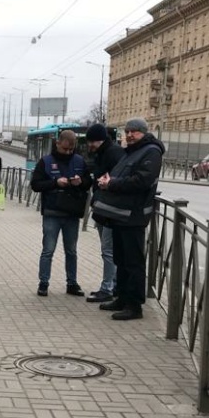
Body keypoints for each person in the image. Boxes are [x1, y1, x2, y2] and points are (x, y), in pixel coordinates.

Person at [94, 117, 164, 320]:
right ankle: (122, 298)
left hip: (134, 215)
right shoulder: (132, 151)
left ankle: (134, 305)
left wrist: (112, 183)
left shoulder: (151, 151)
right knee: (121, 258)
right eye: (127, 131)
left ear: (144, 132)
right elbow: (122, 175)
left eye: (135, 131)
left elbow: (142, 180)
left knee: (133, 262)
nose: (130, 135)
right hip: (120, 214)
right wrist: (108, 180)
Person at [30, 129, 91, 297]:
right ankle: (43, 283)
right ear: (57, 144)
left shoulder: (79, 161)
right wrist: (55, 183)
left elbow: (88, 182)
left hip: (72, 213)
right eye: (65, 149)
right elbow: (35, 184)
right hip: (52, 212)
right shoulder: (45, 161)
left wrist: (80, 182)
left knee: (71, 251)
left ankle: (72, 283)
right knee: (48, 250)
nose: (68, 152)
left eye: (71, 149)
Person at [85, 123, 125, 303]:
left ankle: (107, 288)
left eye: (91, 142)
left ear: (98, 140)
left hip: (110, 208)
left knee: (108, 250)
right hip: (103, 206)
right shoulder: (104, 153)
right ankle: (113, 285)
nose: (89, 145)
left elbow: (116, 179)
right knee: (109, 249)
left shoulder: (113, 153)